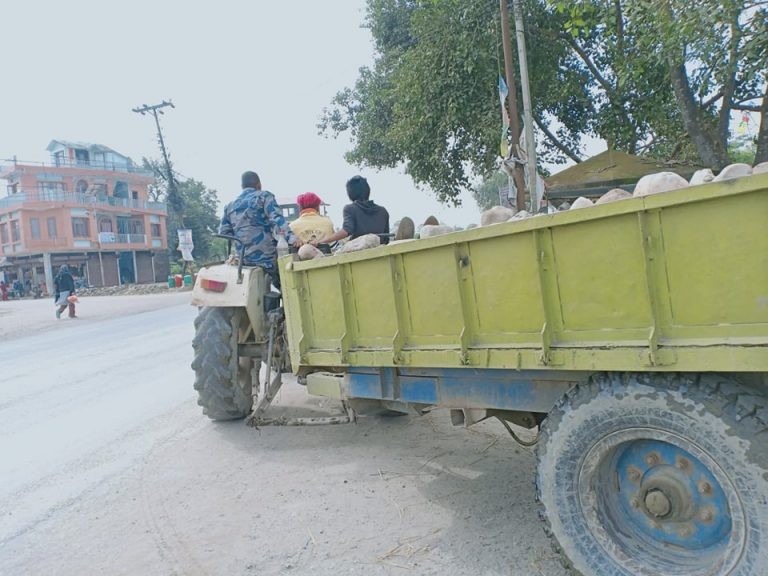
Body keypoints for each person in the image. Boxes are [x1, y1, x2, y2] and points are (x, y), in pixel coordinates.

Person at [219, 171, 299, 286]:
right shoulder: (264, 196)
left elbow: (224, 232)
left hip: (243, 261)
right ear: (259, 184)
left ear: (242, 187)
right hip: (266, 259)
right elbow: (277, 220)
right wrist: (293, 239)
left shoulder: (230, 205)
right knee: (288, 284)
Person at [319, 176, 390, 245]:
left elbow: (346, 231)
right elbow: (386, 238)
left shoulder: (350, 209)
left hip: (358, 252)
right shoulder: (383, 211)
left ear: (350, 193)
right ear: (368, 190)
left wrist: (323, 241)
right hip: (380, 250)